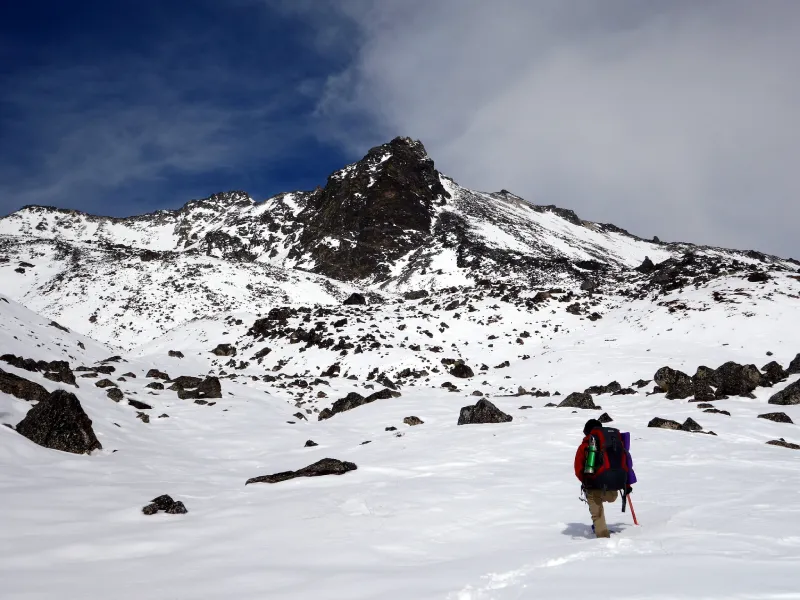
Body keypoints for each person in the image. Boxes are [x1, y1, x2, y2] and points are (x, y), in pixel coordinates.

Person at [574, 418, 634, 538]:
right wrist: (627, 485)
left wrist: (587, 482)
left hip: (594, 486)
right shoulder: (614, 444)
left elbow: (578, 469)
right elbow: (626, 465)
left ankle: (603, 539)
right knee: (601, 494)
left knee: (596, 510)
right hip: (613, 490)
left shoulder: (585, 446)